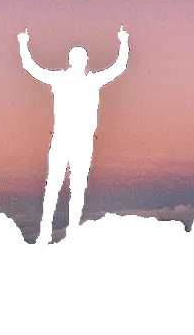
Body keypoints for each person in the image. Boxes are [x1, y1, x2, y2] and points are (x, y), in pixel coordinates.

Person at [21, 26, 128, 244]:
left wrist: (24, 44)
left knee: (53, 188)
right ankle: (70, 234)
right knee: (77, 191)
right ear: (85, 61)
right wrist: (124, 42)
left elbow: (31, 67)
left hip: (61, 141)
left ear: (70, 61)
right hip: (81, 143)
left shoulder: (60, 79)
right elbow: (120, 66)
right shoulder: (92, 81)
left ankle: (46, 234)